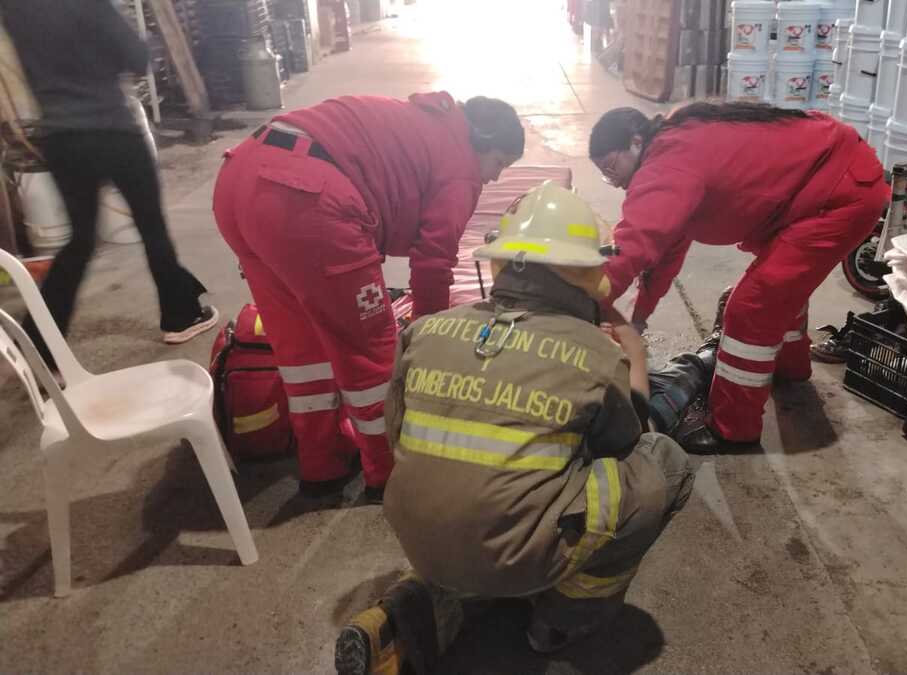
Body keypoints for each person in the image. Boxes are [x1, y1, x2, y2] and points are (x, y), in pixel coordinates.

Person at [334, 184, 694, 673]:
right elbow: (627, 444)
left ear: (498, 262)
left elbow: (397, 435)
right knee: (662, 461)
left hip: (415, 533)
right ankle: (561, 617)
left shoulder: (425, 330)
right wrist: (633, 352)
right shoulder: (595, 352)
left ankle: (427, 596)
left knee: (480, 482)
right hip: (519, 555)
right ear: (588, 272)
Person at [213, 93, 524, 503]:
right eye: (499, 162)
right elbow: (433, 262)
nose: (496, 178)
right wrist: (427, 338)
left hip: (240, 178)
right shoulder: (461, 165)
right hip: (305, 197)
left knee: (300, 346)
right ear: (480, 141)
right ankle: (388, 472)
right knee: (371, 352)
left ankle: (321, 466)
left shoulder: (424, 122)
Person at [588, 102, 889, 453]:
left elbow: (633, 244)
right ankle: (789, 368)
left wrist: (586, 301)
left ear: (636, 142)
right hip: (829, 180)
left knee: (751, 307)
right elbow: (664, 251)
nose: (614, 181)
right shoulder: (676, 142)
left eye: (612, 167)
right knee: (781, 289)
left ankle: (733, 429)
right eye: (605, 175)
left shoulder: (668, 164)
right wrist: (638, 316)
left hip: (838, 194)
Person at [0, 0, 219, 366]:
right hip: (112, 131)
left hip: (61, 139)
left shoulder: (15, 8)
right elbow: (135, 57)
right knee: (152, 229)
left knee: (80, 241)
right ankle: (181, 316)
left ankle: (39, 346)